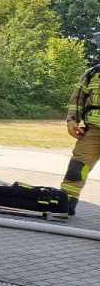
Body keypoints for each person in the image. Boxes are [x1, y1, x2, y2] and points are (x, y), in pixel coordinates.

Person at [60, 59, 100, 216]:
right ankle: (66, 204)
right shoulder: (92, 73)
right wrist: (72, 120)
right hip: (92, 133)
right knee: (76, 169)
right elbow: (77, 99)